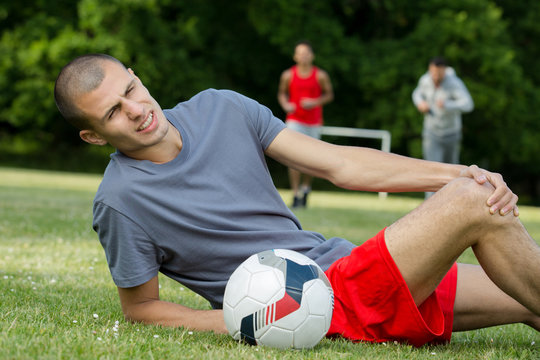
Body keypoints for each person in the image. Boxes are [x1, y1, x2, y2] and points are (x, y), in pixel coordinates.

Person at [54, 53, 540, 348]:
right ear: (93, 136)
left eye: (131, 90)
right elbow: (141, 309)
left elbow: (338, 165)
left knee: (528, 291)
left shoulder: (220, 107)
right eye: (114, 113)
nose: (137, 110)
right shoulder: (120, 201)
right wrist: (244, 321)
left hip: (352, 268)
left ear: (137, 76)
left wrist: (460, 172)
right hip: (314, 303)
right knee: (474, 203)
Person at [277, 41, 334, 208]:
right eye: (300, 53)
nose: (303, 56)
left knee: (311, 159)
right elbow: (281, 94)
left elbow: (329, 95)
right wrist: (286, 105)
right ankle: (295, 194)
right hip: (294, 120)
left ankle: (306, 189)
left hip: (314, 122)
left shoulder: (320, 76)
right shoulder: (288, 75)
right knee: (293, 158)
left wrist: (315, 102)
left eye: (306, 53)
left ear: (312, 55)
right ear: (295, 56)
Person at [412, 56, 474, 198]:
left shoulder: (454, 83)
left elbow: (468, 104)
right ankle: (430, 204)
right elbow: (416, 94)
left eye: (438, 73)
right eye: (432, 72)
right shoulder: (425, 80)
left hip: (451, 133)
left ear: (444, 71)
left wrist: (448, 104)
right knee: (431, 170)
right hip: (431, 132)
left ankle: (452, 200)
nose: (434, 76)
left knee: (452, 171)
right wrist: (420, 103)